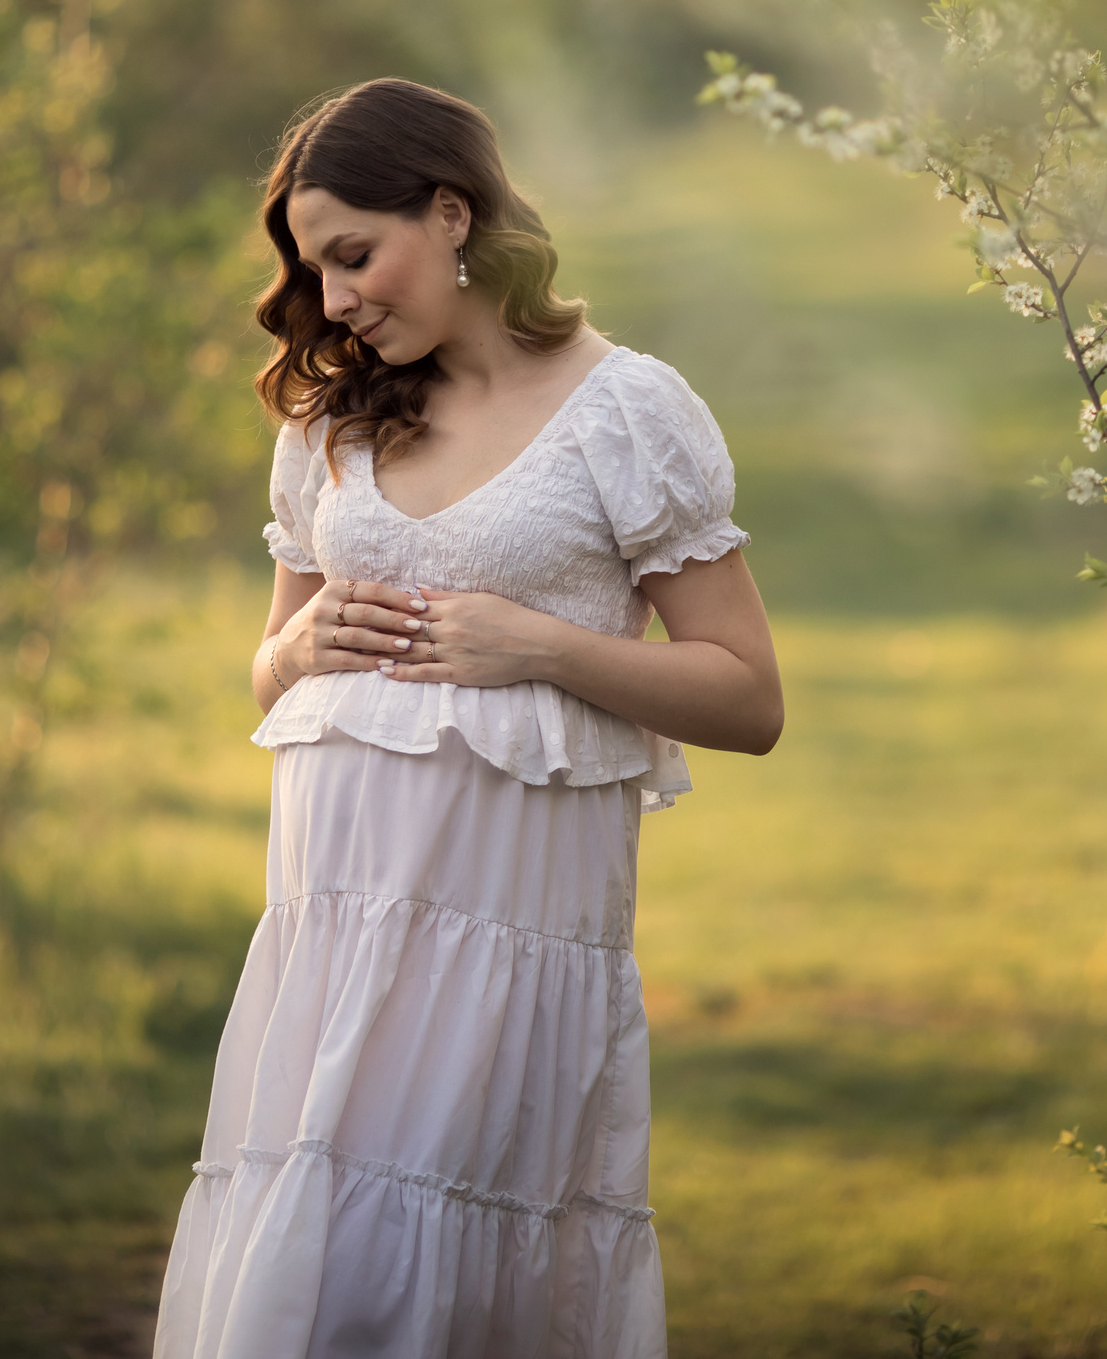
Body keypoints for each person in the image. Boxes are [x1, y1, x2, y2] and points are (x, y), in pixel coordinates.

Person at [151, 77, 783, 1359]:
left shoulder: (627, 411)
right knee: (313, 1254)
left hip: (511, 939)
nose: (334, 301)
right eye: (314, 272)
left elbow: (747, 696)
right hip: (330, 931)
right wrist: (294, 648)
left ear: (451, 213)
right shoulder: (330, 421)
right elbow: (270, 677)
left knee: (451, 1254)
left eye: (353, 256)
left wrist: (542, 646)